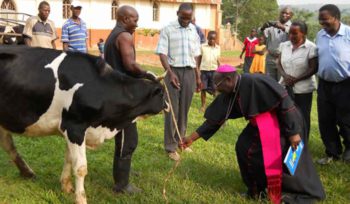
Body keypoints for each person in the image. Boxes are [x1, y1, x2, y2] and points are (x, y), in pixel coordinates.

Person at [180, 65, 326, 204]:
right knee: (244, 147)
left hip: (285, 124)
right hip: (260, 124)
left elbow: (285, 102)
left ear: (229, 80)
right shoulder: (231, 90)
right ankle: (256, 189)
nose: (216, 89)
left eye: (217, 84)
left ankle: (288, 191)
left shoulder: (255, 81)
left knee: (280, 156)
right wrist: (191, 138)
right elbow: (213, 121)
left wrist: (293, 133)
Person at [104, 5, 157, 194]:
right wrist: (146, 74)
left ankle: (122, 174)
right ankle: (122, 184)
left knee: (124, 138)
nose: (137, 23)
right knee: (128, 139)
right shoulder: (124, 36)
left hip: (116, 91)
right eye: (134, 19)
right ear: (125, 19)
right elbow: (130, 64)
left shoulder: (114, 34)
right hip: (123, 96)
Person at [156, 3, 201, 161]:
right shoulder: (168, 28)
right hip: (173, 71)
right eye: (183, 18)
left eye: (188, 19)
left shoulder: (193, 29)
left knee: (184, 109)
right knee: (172, 110)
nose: (185, 22)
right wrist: (170, 72)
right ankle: (170, 146)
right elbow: (162, 53)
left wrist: (198, 75)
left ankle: (181, 141)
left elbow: (196, 53)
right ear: (177, 14)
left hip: (189, 72)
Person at [316, 4, 350, 164]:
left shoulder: (348, 33)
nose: (322, 23)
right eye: (320, 20)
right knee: (325, 119)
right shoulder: (320, 35)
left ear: (336, 17)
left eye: (325, 20)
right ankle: (332, 152)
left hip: (345, 84)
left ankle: (349, 149)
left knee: (345, 119)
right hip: (324, 84)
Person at [277, 21, 317, 141]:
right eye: (290, 33)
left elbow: (313, 68)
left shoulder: (311, 47)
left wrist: (297, 79)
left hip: (303, 90)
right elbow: (278, 63)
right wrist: (285, 76)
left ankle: (302, 144)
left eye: (295, 34)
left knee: (302, 117)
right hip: (284, 87)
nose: (291, 36)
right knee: (286, 115)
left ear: (304, 33)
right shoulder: (284, 45)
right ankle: (287, 141)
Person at [261, 7, 293, 81]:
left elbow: (293, 34)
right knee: (269, 82)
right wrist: (263, 27)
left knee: (282, 83)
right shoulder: (273, 25)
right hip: (270, 58)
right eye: (282, 13)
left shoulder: (293, 26)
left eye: (287, 13)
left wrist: (282, 27)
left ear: (291, 16)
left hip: (284, 59)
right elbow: (261, 36)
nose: (284, 15)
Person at [199, 31, 220, 112]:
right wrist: (198, 69)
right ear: (207, 38)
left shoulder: (218, 48)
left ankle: (215, 106)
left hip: (214, 71)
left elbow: (218, 60)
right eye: (210, 39)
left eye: (214, 39)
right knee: (203, 89)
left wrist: (220, 69)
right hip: (204, 71)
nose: (212, 40)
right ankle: (203, 106)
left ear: (216, 39)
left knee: (215, 89)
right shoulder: (203, 47)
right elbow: (199, 59)